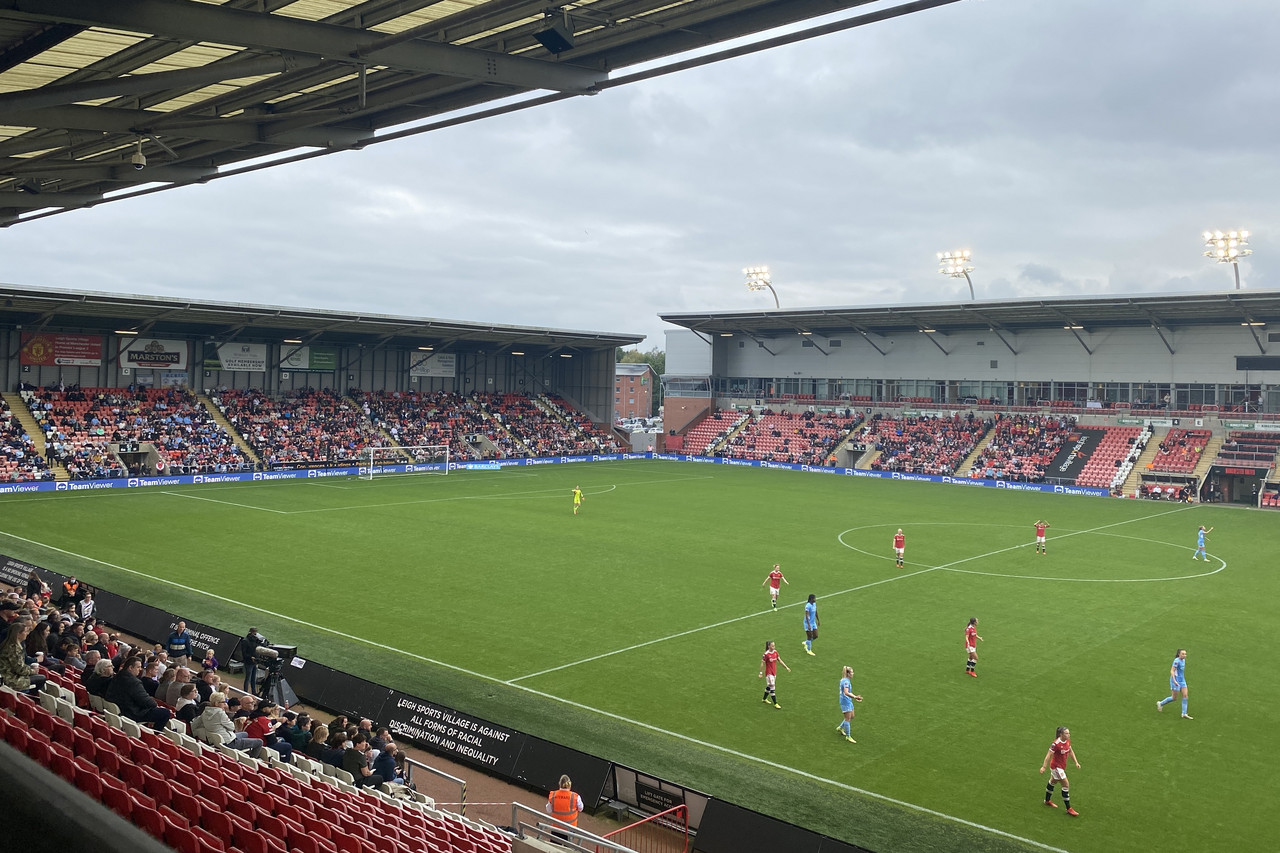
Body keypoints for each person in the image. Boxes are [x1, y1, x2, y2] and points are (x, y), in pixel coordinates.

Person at [106, 656, 171, 730]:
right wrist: (154, 704)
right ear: (130, 667)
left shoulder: (118, 675)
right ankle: (155, 733)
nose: (140, 669)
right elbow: (145, 700)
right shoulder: (134, 682)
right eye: (138, 667)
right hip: (131, 712)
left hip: (121, 708)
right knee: (165, 713)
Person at [191, 692, 263, 753]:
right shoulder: (220, 714)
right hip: (229, 742)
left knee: (245, 734)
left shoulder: (205, 712)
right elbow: (232, 727)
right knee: (259, 742)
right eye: (223, 702)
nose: (225, 704)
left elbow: (194, 724)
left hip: (218, 740)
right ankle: (251, 759)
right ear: (216, 703)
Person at [1039, 725, 1080, 816]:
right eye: (1066, 733)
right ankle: (1068, 808)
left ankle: (1047, 800)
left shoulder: (1067, 741)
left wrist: (1076, 762)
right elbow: (1049, 755)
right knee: (1066, 784)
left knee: (1052, 781)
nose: (1069, 735)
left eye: (1069, 733)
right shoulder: (1056, 744)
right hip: (1056, 767)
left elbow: (1070, 751)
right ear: (1061, 734)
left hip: (1061, 766)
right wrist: (1044, 767)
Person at [0, 619, 46, 693]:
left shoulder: (9, 645)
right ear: (18, 634)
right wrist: (33, 671)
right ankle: (29, 697)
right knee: (42, 678)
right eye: (25, 632)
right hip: (11, 679)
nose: (27, 633)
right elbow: (20, 669)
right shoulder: (13, 649)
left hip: (9, 675)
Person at [1156, 648, 1192, 719]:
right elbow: (1172, 671)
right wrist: (1174, 680)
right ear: (1179, 654)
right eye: (1183, 654)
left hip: (1182, 680)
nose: (1184, 655)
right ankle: (1160, 703)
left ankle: (1184, 713)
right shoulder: (1176, 661)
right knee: (1174, 698)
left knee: (1185, 695)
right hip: (1175, 680)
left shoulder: (1183, 660)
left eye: (1185, 654)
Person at [758, 640, 791, 708]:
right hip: (769, 673)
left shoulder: (775, 652)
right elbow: (762, 663)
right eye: (772, 646)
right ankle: (775, 703)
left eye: (774, 645)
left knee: (769, 686)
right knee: (772, 686)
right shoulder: (766, 654)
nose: (774, 647)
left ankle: (764, 699)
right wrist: (760, 673)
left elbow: (780, 660)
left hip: (774, 672)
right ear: (769, 646)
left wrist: (786, 667)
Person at [836, 665, 863, 743]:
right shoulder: (846, 682)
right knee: (848, 719)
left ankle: (841, 727)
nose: (853, 674)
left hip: (848, 700)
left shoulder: (844, 680)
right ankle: (848, 736)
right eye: (852, 672)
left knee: (852, 716)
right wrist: (855, 697)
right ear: (848, 674)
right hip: (845, 701)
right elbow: (846, 692)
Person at [241, 627, 266, 694]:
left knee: (253, 678)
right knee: (248, 678)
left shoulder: (255, 640)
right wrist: (251, 657)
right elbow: (244, 654)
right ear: (251, 632)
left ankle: (254, 692)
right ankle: (245, 692)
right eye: (254, 633)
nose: (255, 634)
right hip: (248, 662)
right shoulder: (245, 641)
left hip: (254, 662)